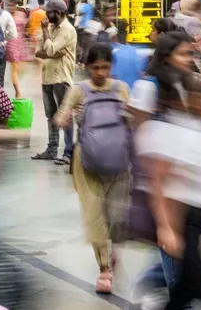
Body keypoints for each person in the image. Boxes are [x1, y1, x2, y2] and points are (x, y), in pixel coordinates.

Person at [130, 32, 201, 310]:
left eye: (191, 54)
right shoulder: (149, 87)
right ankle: (167, 290)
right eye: (184, 54)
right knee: (178, 263)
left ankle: (158, 282)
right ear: (167, 56)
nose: (190, 59)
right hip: (164, 184)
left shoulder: (190, 82)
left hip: (192, 184)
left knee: (181, 258)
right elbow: (140, 133)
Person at [54, 44, 131, 294]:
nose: (100, 72)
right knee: (94, 215)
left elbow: (132, 121)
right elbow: (60, 116)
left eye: (105, 67)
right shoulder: (79, 91)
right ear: (87, 67)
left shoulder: (121, 89)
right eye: (95, 67)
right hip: (85, 161)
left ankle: (113, 251)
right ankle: (104, 268)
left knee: (116, 217)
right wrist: (63, 119)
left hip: (119, 161)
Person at [32, 0, 78, 165]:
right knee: (50, 116)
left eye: (49, 12)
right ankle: (52, 149)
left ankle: (68, 152)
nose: (46, 15)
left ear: (58, 13)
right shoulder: (51, 27)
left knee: (64, 116)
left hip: (61, 78)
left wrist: (45, 34)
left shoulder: (67, 30)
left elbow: (49, 48)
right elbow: (39, 51)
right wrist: (50, 52)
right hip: (47, 76)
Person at [5, 0, 31, 98]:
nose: (10, 7)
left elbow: (27, 25)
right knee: (15, 69)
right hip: (12, 44)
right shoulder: (7, 16)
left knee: (17, 68)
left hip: (20, 44)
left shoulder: (20, 14)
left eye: (12, 5)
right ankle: (17, 91)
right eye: (9, 5)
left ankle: (15, 86)